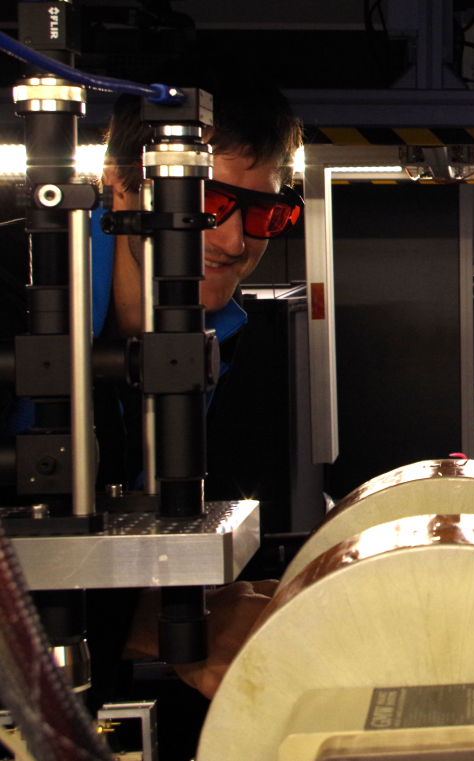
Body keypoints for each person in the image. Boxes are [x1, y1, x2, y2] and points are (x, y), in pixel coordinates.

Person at [1, 78, 304, 706]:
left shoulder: (217, 335)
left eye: (261, 213)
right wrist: (148, 625)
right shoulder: (12, 287)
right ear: (119, 183)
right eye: (204, 201)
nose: (233, 242)